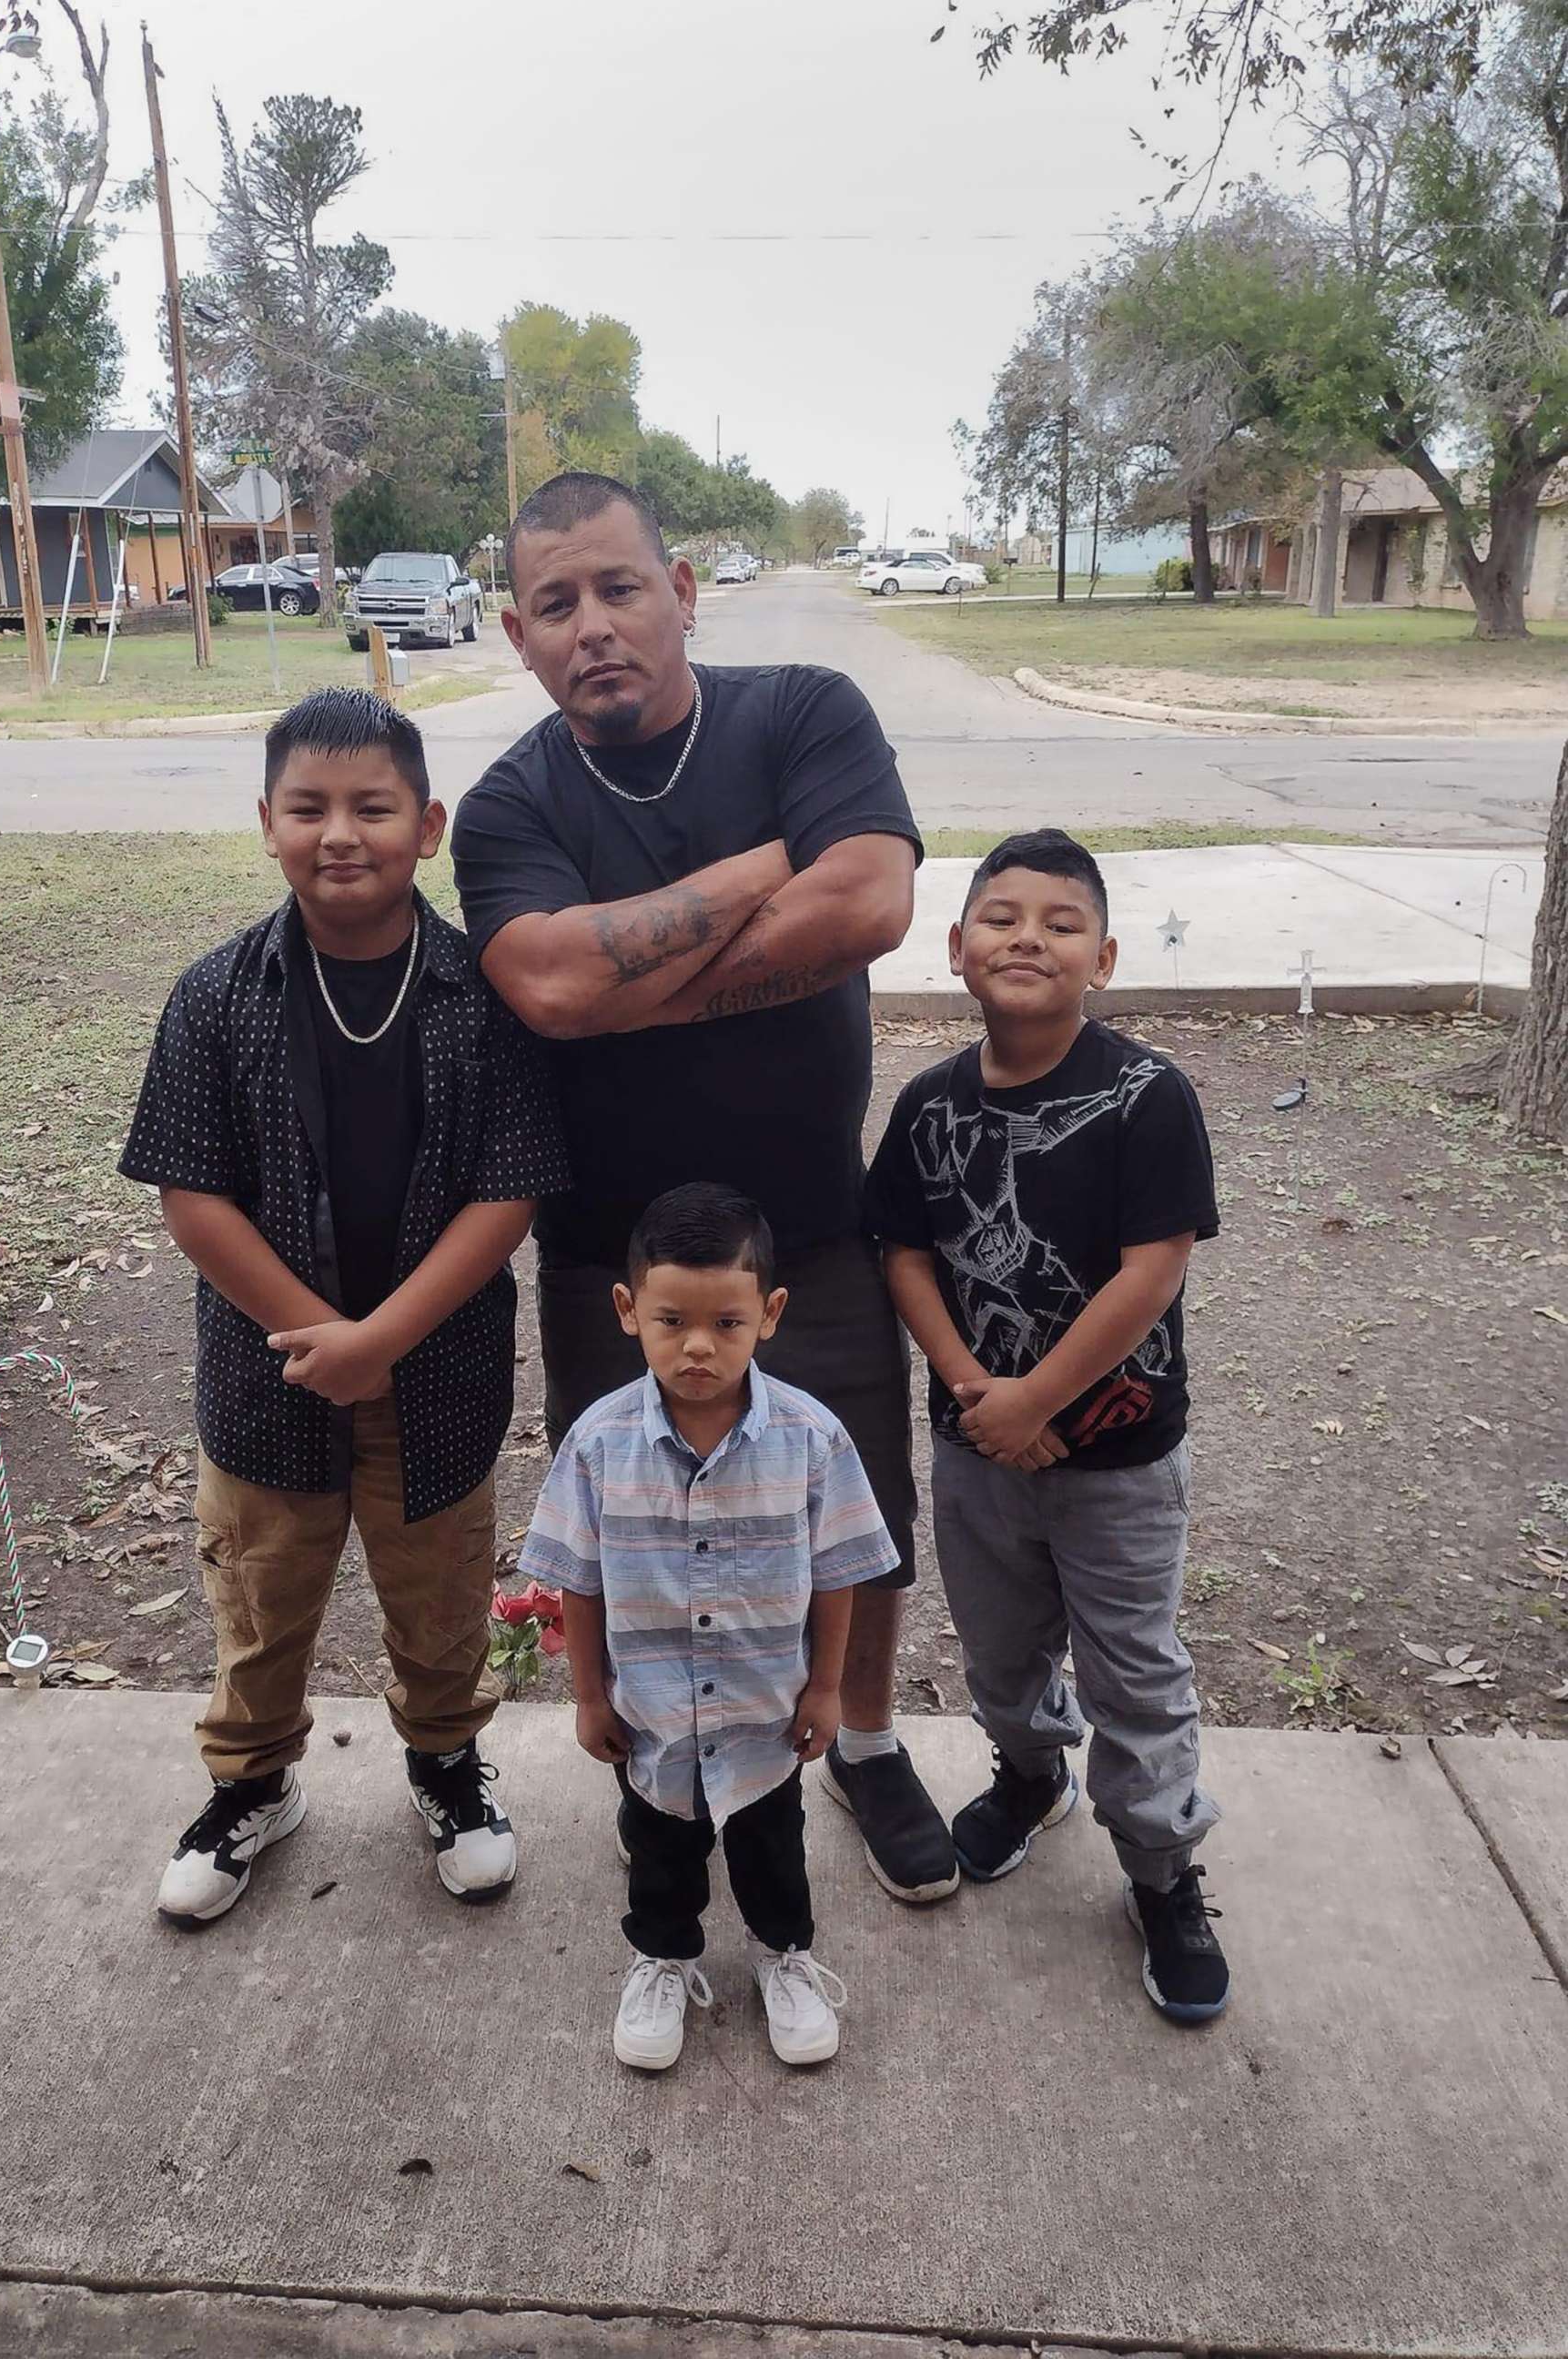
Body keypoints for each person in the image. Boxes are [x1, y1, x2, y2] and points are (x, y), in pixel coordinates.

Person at [451, 470, 957, 1908]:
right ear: (517, 634)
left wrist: (622, 983)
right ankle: (667, 1757)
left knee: (851, 1512)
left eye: (620, 587)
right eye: (557, 604)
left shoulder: (804, 711)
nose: (594, 625)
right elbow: (544, 984)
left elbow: (866, 900)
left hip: (814, 1230)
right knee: (636, 1528)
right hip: (611, 1258)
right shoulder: (507, 808)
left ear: (683, 593)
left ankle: (860, 1741)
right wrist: (754, 873)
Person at [120, 687, 569, 1926]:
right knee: (260, 1598)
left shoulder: (486, 997)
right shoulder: (217, 995)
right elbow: (193, 1194)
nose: (340, 833)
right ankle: (252, 1785)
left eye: (372, 807)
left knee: (438, 1599)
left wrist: (386, 1340)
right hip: (268, 1381)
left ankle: (446, 1765)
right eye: (308, 807)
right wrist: (322, 1339)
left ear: (427, 826)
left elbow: (510, 1191)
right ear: (266, 822)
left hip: (441, 1374)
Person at [863, 828, 1230, 2021]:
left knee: (1136, 1670)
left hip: (1120, 1458)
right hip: (979, 1454)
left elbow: (1150, 1271)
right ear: (959, 949)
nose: (1030, 937)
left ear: (1104, 957)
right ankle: (1029, 1777)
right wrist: (980, 1388)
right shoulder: (927, 1108)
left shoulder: (1146, 1096)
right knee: (1001, 1646)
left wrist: (1040, 1398)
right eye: (1003, 917)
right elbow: (904, 1252)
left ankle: (1164, 1869)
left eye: (1061, 922)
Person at [522, 1182, 899, 2070]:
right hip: (651, 1713)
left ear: (769, 1314)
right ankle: (661, 1960)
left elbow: (839, 1574)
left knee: (774, 1850)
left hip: (764, 1713)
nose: (698, 1346)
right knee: (660, 1851)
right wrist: (587, 1697)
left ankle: (785, 1959)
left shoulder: (812, 1439)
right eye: (671, 1321)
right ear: (628, 1312)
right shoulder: (597, 1445)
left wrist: (827, 1685)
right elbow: (577, 1581)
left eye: (727, 1323)